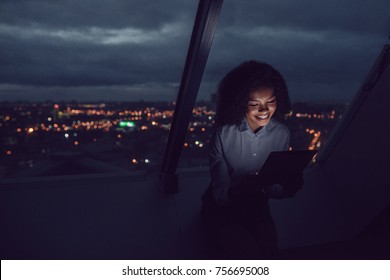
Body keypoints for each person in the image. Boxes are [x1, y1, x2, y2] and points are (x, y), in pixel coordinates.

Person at [201, 60, 303, 259]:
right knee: (249, 255)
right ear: (240, 103)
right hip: (222, 209)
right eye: (255, 104)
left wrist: (287, 188)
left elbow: (272, 188)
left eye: (271, 102)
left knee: (272, 255)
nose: (264, 110)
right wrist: (240, 186)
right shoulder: (223, 134)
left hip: (257, 206)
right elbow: (221, 195)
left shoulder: (281, 133)